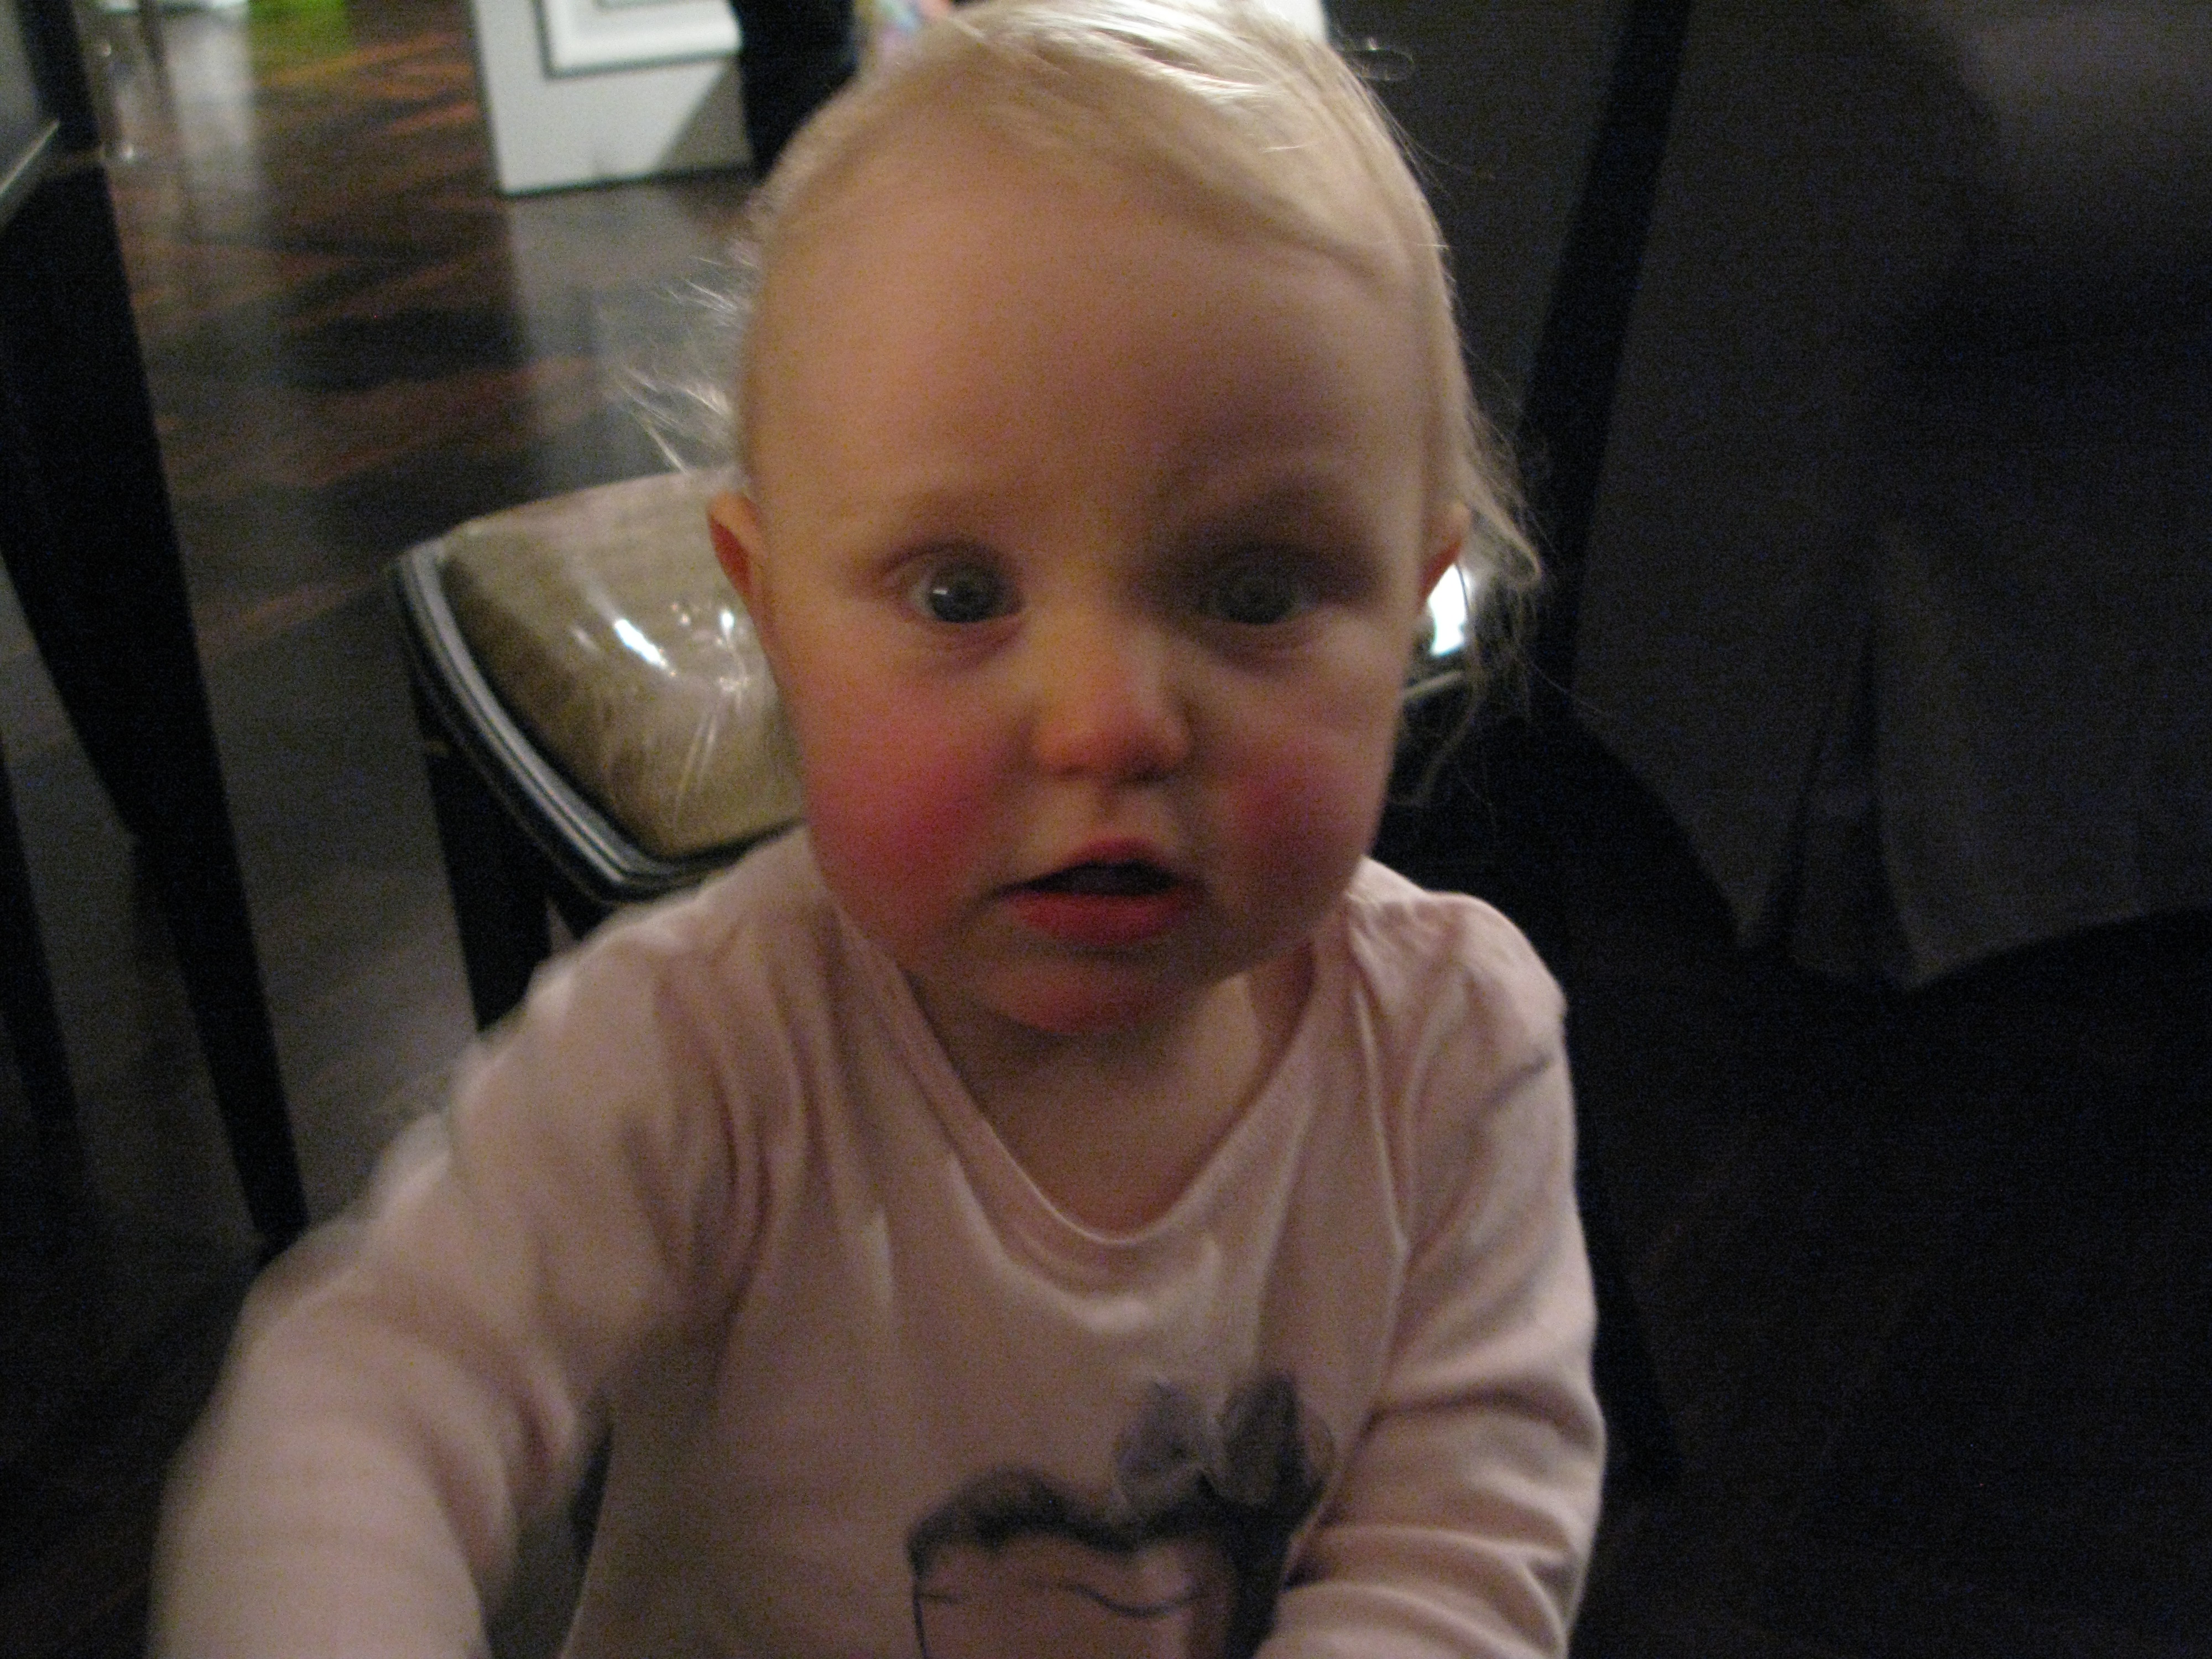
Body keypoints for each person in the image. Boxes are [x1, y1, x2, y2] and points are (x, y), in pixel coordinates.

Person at [152, 2, 1605, 1654]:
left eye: (1255, 591)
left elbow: (1461, 1555)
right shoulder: (701, 1050)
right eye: (961, 593)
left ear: (1409, 611)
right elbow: (373, 1396)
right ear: (771, 616)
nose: (1108, 722)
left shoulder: (1450, 1056)